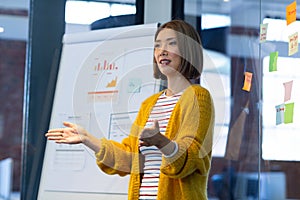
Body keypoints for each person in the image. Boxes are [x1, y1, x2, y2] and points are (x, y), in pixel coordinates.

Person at [46, 19, 215, 200]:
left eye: (171, 43)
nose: (162, 50)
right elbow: (129, 159)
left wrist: (161, 142)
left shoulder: (198, 97)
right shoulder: (149, 104)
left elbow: (192, 158)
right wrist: (88, 139)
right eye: (157, 45)